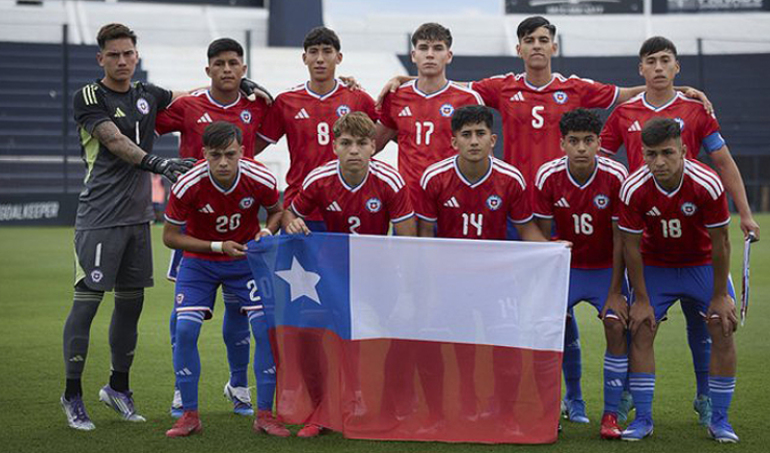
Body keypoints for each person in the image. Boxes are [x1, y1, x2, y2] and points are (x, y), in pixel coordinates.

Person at [600, 36, 759, 426]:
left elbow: (723, 162)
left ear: (676, 67)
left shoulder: (695, 108)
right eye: (650, 61)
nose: (657, 67)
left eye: (664, 60)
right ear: (641, 69)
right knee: (635, 321)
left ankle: (707, 399)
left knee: (705, 324)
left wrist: (745, 212)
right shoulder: (624, 113)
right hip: (646, 229)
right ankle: (628, 401)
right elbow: (601, 162)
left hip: (694, 229)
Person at [62, 23, 195, 430]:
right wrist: (159, 164)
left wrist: (239, 86)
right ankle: (72, 395)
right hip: (99, 219)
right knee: (87, 305)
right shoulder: (89, 95)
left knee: (130, 306)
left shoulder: (147, 95)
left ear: (137, 56)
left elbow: (194, 99)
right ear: (101, 58)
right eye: (114, 54)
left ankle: (118, 388)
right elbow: (113, 140)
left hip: (138, 219)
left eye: (128, 54)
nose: (122, 61)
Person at [154, 37, 276, 421]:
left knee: (242, 313)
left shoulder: (255, 107)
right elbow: (146, 119)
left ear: (243, 69)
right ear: (208, 69)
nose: (227, 69)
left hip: (240, 219)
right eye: (219, 63)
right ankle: (182, 388)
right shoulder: (190, 104)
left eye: (233, 63)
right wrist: (171, 92)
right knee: (184, 314)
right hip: (195, 219)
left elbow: (279, 126)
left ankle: (238, 384)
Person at [282, 112, 415, 437]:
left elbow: (409, 239)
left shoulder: (390, 181)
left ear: (373, 146)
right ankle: (324, 412)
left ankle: (386, 407)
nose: (354, 150)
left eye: (361, 143)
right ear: (334, 147)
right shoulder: (318, 180)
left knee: (386, 340)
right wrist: (291, 222)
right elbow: (289, 214)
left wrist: (406, 284)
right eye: (346, 143)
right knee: (326, 341)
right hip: (332, 274)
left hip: (378, 274)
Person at [416, 105, 549, 427]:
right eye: (466, 135)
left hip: (497, 281)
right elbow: (423, 238)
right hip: (450, 281)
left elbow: (526, 229)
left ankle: (504, 413)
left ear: (493, 139)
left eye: (479, 134)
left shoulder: (510, 179)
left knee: (505, 347)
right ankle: (446, 412)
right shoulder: (434, 178)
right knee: (454, 350)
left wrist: (552, 248)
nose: (473, 141)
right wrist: (430, 286)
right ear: (454, 142)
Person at [618, 118, 739, 443]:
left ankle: (720, 420)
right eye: (651, 154)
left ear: (684, 150)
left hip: (701, 264)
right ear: (643, 153)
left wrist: (719, 295)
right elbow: (630, 246)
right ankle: (643, 419)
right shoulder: (633, 187)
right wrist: (641, 299)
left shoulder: (707, 183)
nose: (659, 162)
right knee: (641, 326)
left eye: (667, 153)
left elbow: (721, 243)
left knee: (722, 324)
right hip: (657, 266)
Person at [163, 122, 285, 438]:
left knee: (264, 328)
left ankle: (265, 415)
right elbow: (170, 237)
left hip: (244, 262)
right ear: (203, 154)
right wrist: (217, 247)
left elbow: (277, 211)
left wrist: (267, 230)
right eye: (215, 155)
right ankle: (189, 414)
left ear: (242, 152)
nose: (223, 163)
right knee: (186, 328)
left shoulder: (260, 178)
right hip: (200, 263)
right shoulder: (187, 184)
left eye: (230, 154)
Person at [533, 109, 629, 438]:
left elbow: (622, 237)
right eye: (573, 142)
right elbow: (546, 240)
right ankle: (567, 401)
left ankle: (611, 415)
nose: (581, 149)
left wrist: (616, 290)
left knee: (616, 326)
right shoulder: (547, 176)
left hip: (605, 269)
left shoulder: (617, 175)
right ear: (562, 144)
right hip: (567, 268)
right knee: (552, 327)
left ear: (599, 143)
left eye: (588, 141)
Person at [257, 26, 378, 232]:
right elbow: (250, 149)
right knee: (297, 266)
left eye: (327, 51)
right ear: (304, 58)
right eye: (313, 52)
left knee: (348, 264)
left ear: (339, 57)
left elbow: (386, 135)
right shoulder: (286, 101)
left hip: (348, 205)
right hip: (299, 209)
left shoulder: (359, 98)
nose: (320, 59)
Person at [374, 22, 483, 202]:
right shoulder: (395, 96)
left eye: (438, 48)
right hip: (409, 203)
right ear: (413, 55)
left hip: (452, 202)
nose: (430, 55)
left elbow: (483, 155)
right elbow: (371, 146)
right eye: (423, 48)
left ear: (449, 56)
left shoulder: (468, 99)